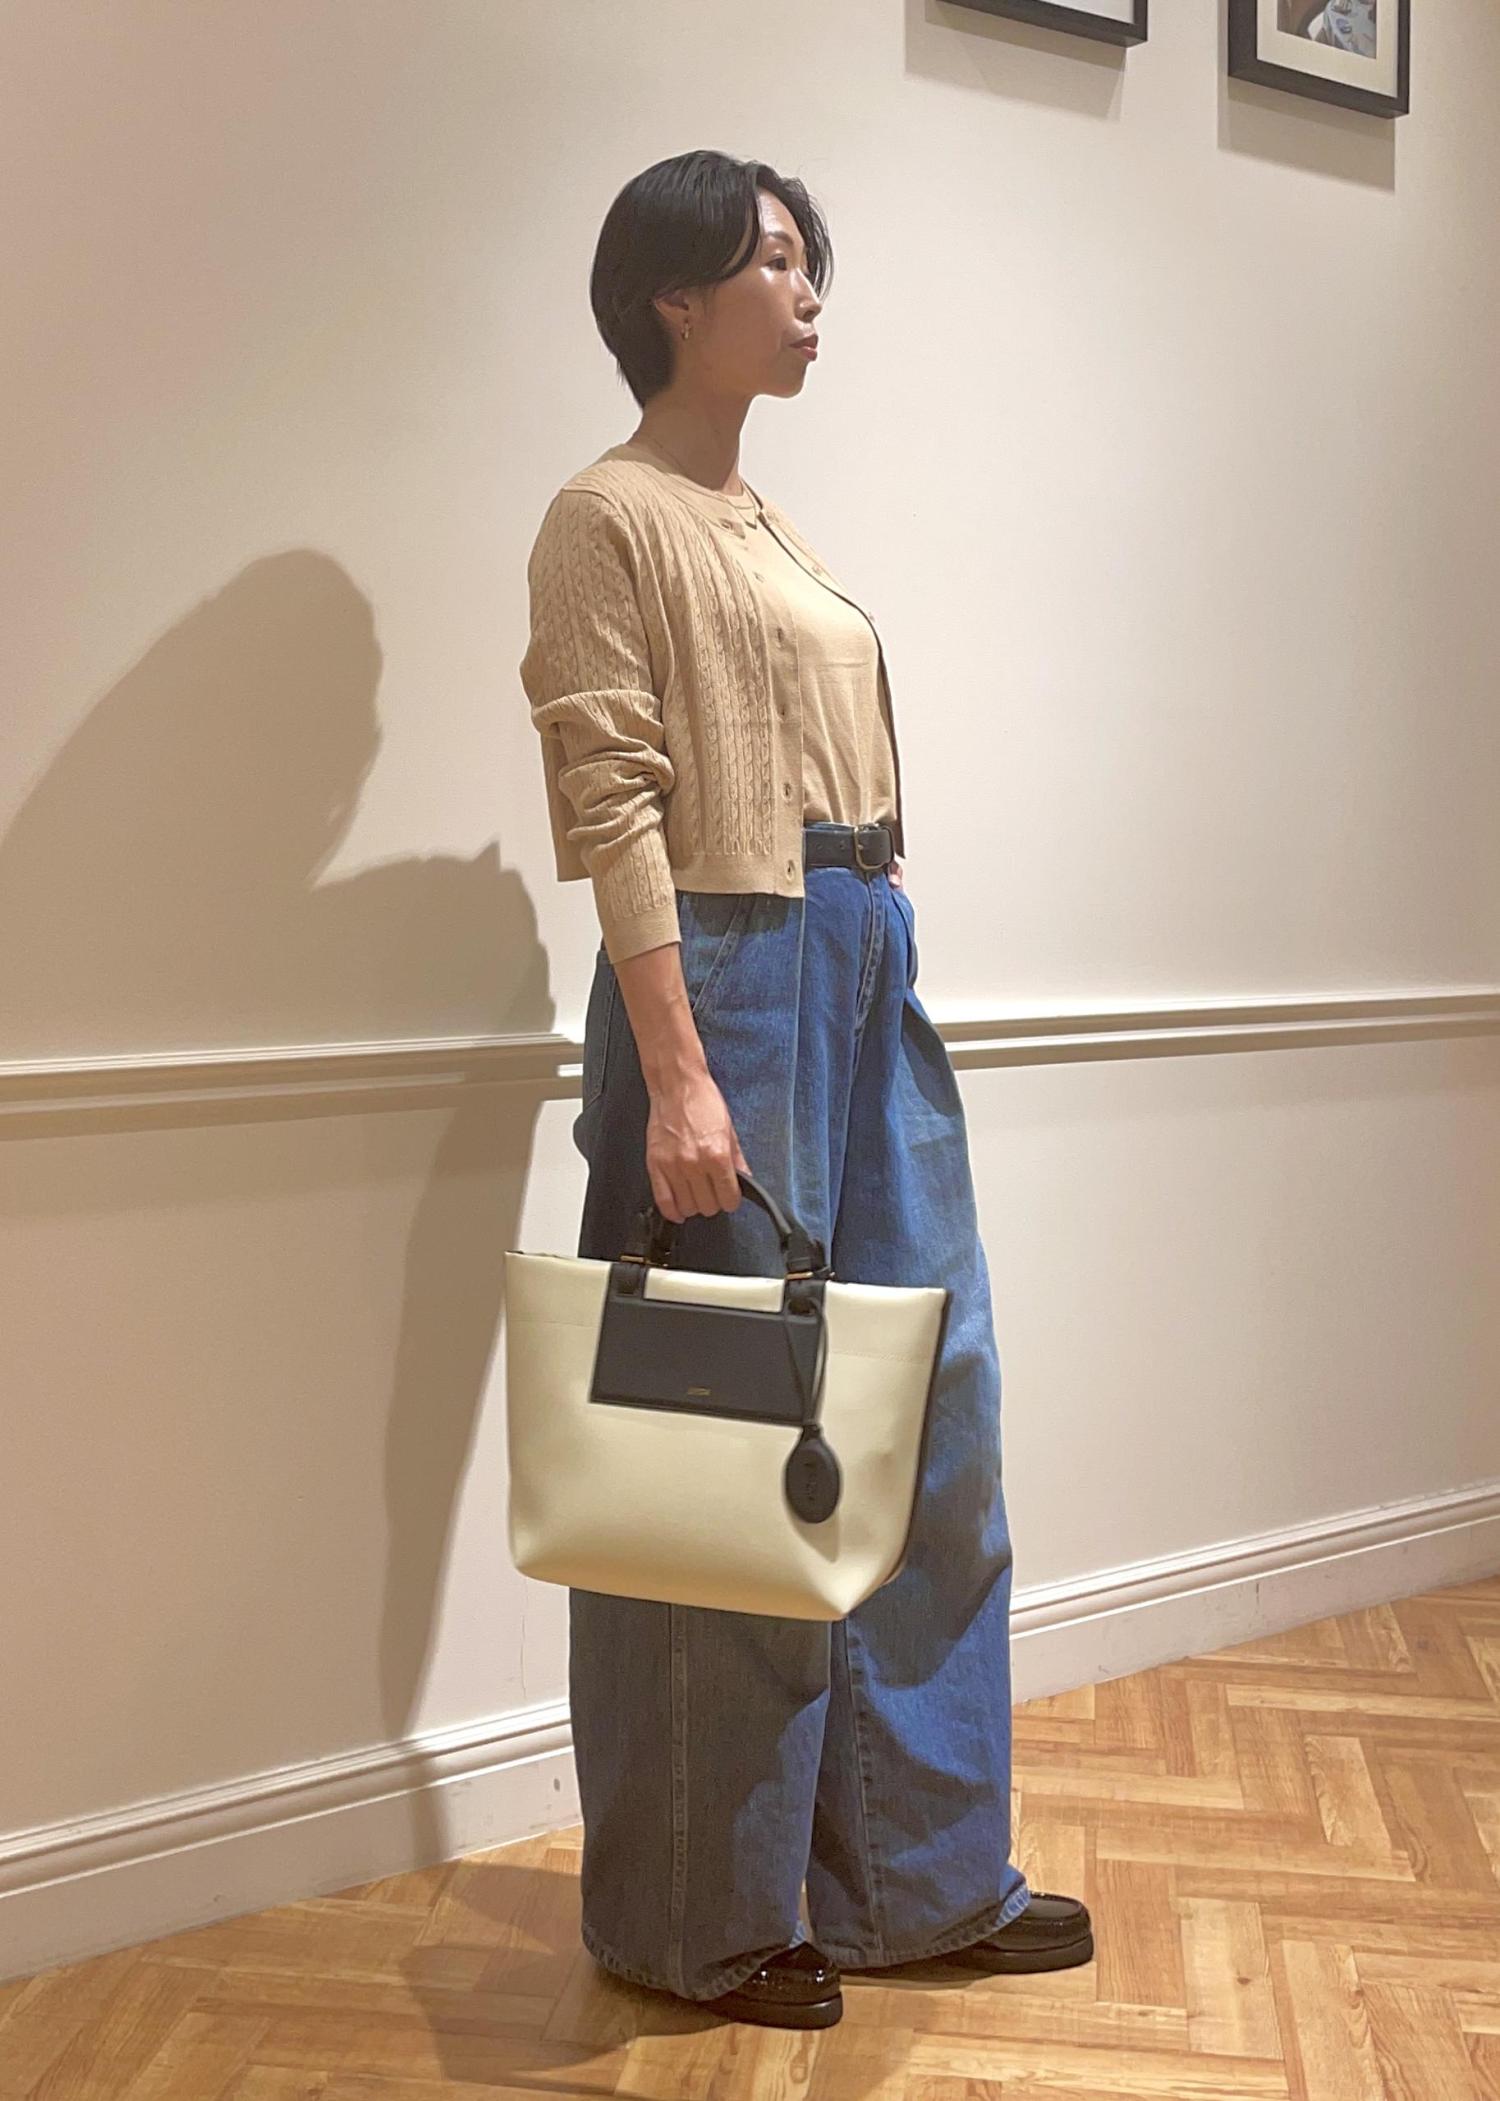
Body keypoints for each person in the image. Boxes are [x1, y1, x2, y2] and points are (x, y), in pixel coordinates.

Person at [518, 148, 1093, 2031]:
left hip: (855, 967)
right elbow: (615, 803)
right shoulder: (606, 517)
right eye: (773, 261)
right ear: (674, 297)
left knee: (930, 1412)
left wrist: (879, 896)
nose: (808, 291)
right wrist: (683, 1072)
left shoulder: (769, 522)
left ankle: (913, 1877)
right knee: (719, 1452)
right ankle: (698, 1916)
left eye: (806, 258)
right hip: (722, 980)